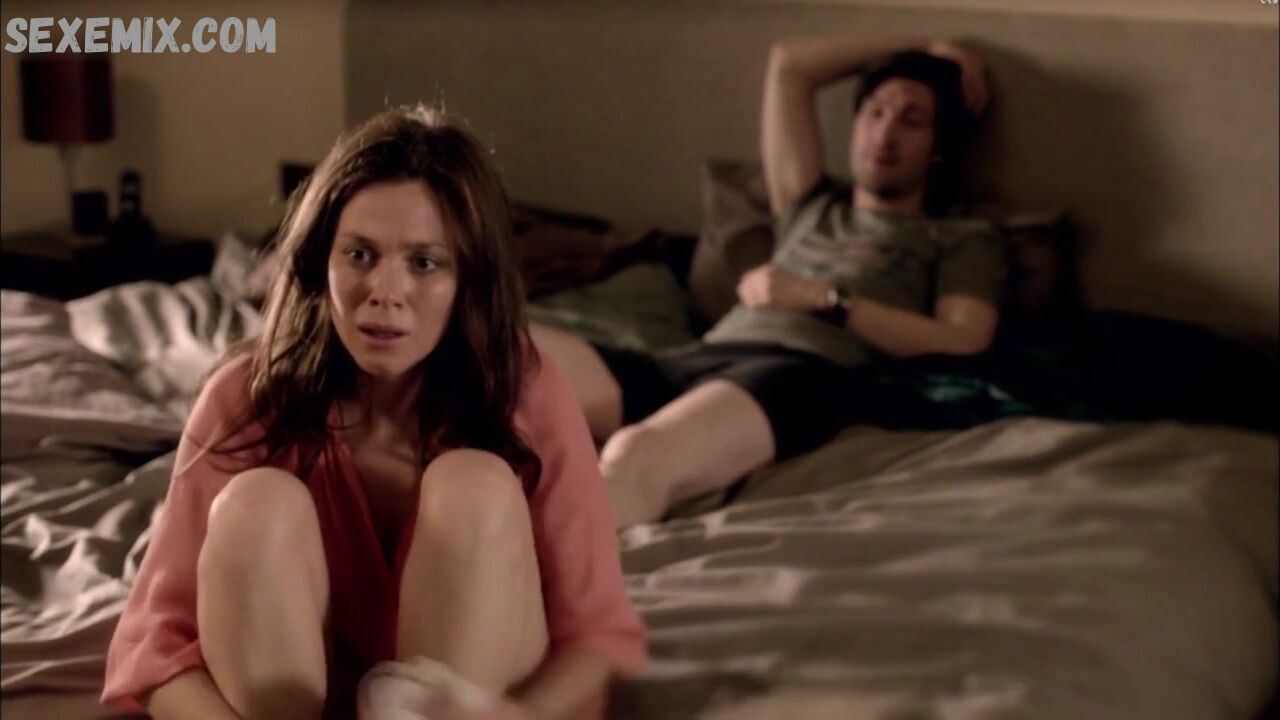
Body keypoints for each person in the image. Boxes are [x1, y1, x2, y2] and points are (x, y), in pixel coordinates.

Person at [101, 105, 646, 720]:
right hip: (291, 698)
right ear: (321, 262)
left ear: (468, 279)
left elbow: (597, 636)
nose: (384, 293)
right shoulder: (247, 394)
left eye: (424, 263)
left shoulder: (526, 390)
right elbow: (153, 643)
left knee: (474, 486)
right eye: (359, 255)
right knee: (255, 505)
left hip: (471, 701)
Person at [532, 36, 1007, 528]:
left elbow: (964, 340)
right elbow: (790, 66)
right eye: (876, 111)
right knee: (498, 359)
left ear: (938, 148)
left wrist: (824, 299)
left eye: (912, 120)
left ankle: (558, 573)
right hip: (693, 359)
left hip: (792, 374)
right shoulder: (811, 205)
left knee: (637, 453)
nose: (885, 133)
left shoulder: (958, 237)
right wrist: (928, 44)